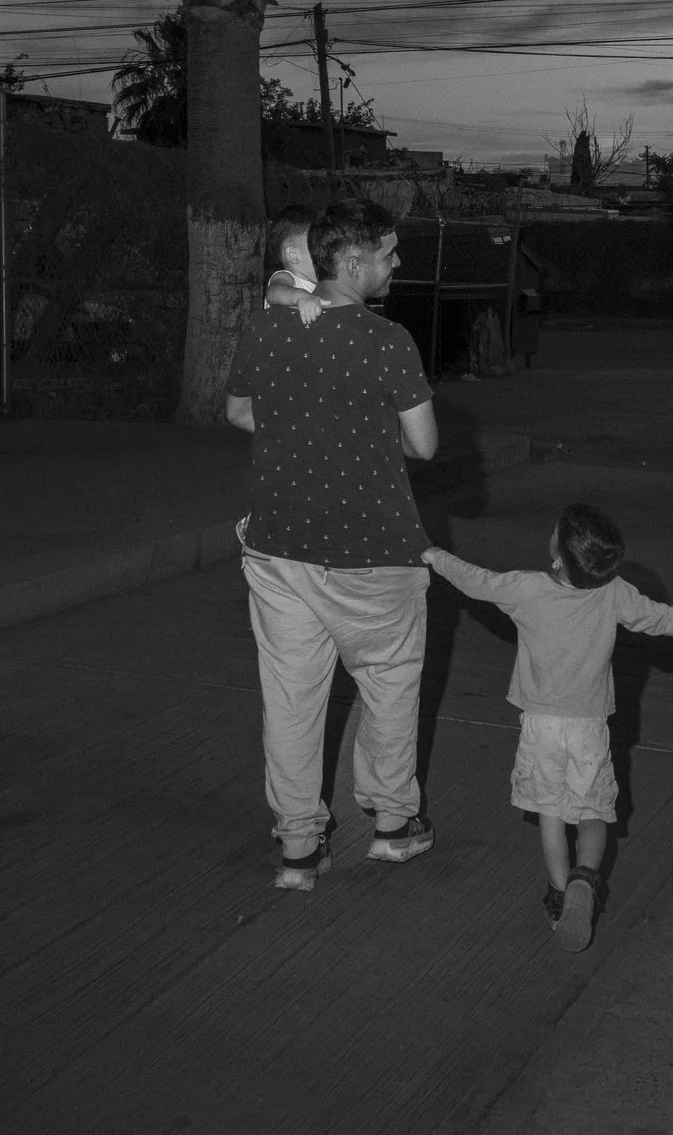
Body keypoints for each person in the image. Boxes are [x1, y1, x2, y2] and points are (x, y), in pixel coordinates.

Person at [225, 198, 441, 890]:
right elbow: (425, 443)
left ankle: (298, 849)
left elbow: (237, 410)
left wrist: (301, 433)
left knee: (290, 698)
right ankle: (390, 823)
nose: (397, 262)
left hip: (279, 548)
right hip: (376, 550)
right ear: (352, 262)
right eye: (389, 251)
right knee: (387, 685)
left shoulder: (269, 326)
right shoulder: (389, 341)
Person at [423, 504, 673, 951]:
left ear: (558, 555)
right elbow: (661, 618)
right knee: (594, 813)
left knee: (551, 815)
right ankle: (585, 880)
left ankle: (559, 898)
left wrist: (435, 556)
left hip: (541, 726)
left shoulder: (527, 589)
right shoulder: (614, 592)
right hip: (589, 726)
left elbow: (475, 580)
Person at [262, 205, 326, 326]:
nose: (325, 253)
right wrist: (302, 297)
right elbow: (273, 292)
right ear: (292, 255)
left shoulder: (321, 286)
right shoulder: (286, 278)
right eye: (318, 246)